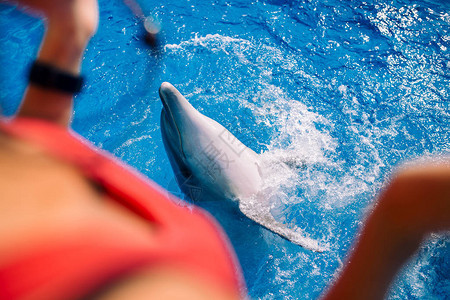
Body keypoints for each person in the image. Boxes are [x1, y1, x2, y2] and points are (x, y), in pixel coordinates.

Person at [0, 1, 448, 299]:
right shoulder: (166, 267)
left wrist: (67, 36)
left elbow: (37, 150)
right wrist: (395, 216)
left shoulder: (25, 187)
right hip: (239, 210)